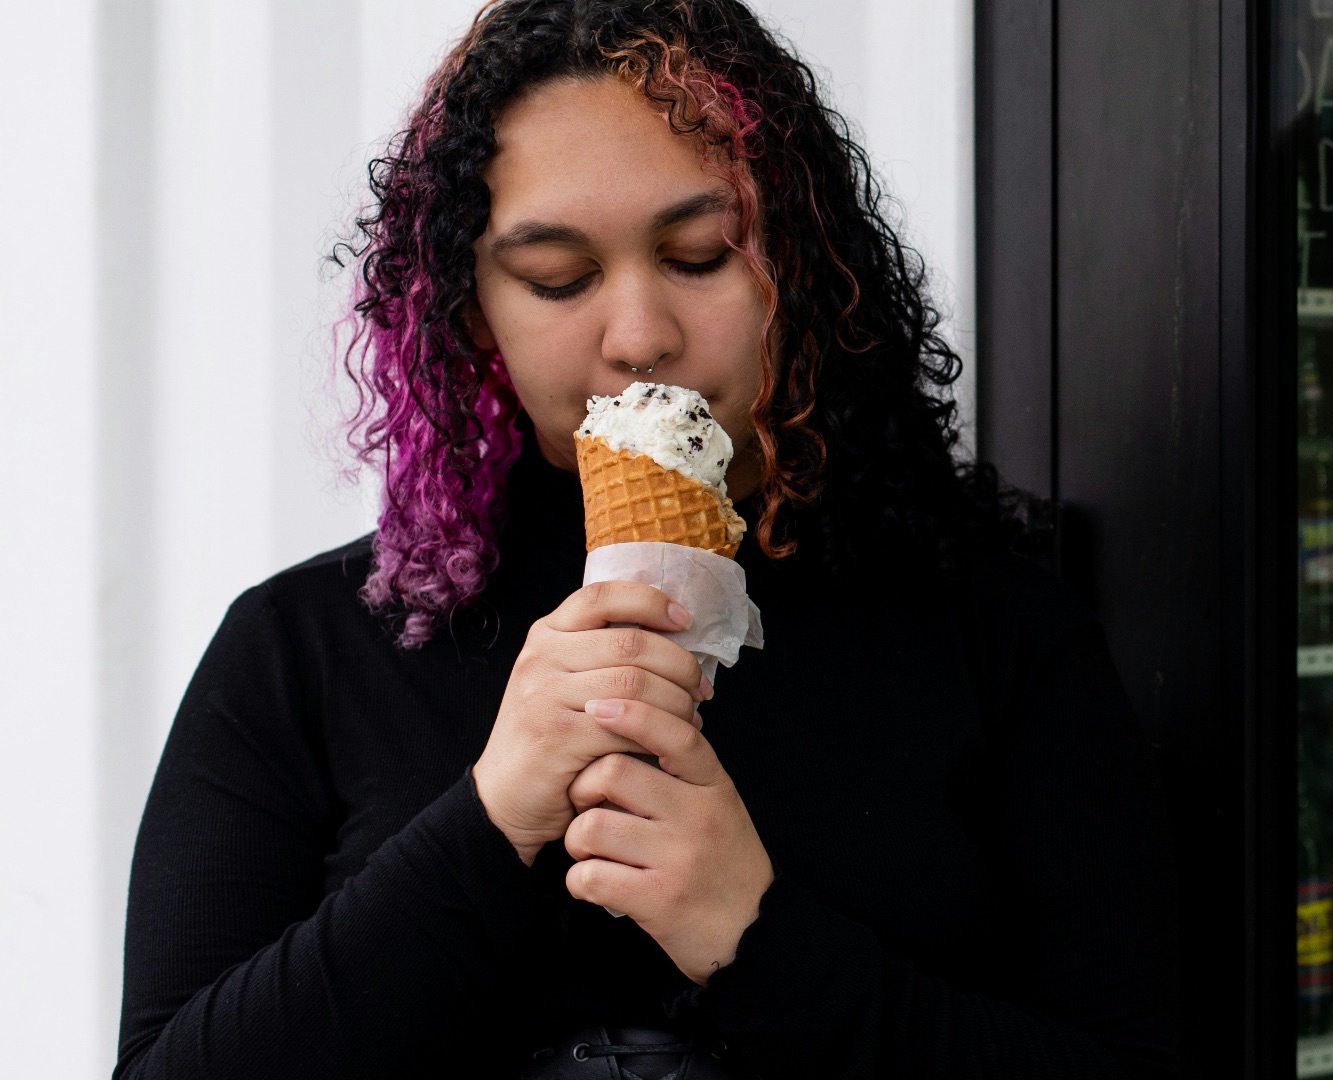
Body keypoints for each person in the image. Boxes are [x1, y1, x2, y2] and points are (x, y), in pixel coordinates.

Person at [113, 2, 1180, 1078]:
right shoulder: (302, 651)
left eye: (703, 255)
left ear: (799, 265)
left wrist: (754, 938)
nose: (639, 338)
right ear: (471, 310)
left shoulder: (993, 627)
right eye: (559, 280)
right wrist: (491, 821)